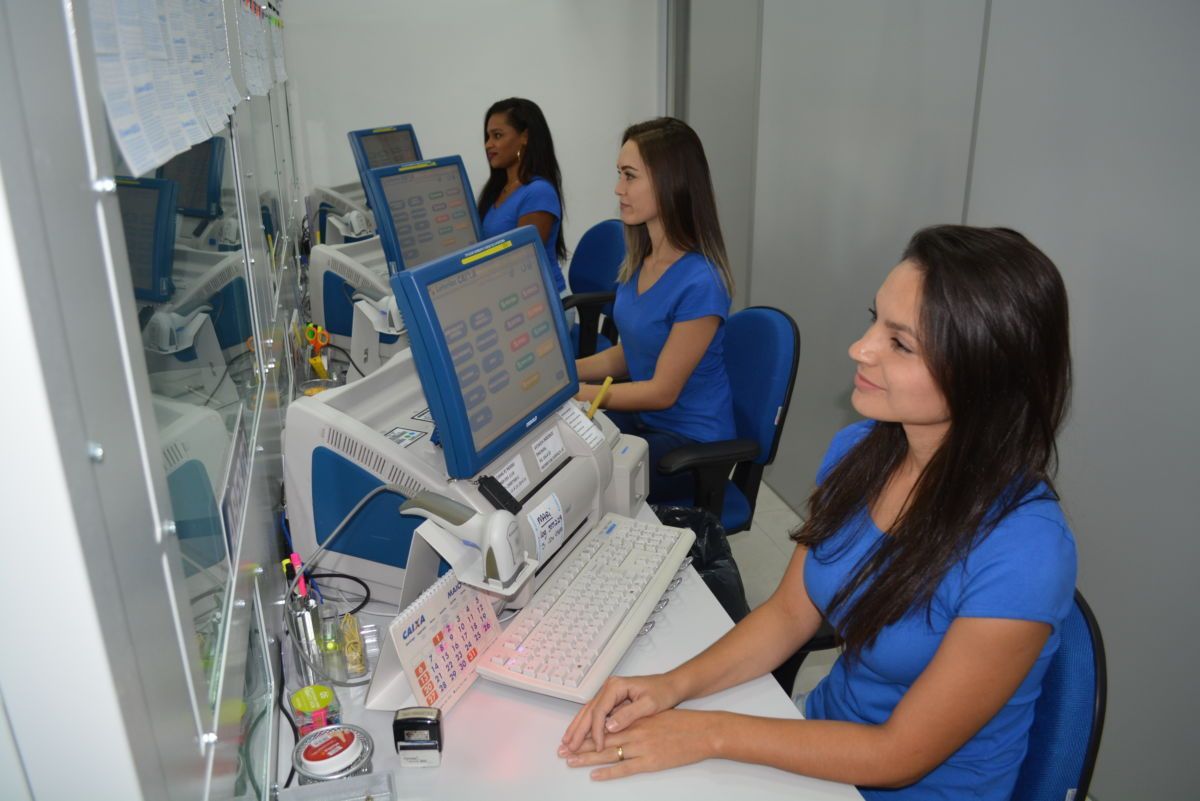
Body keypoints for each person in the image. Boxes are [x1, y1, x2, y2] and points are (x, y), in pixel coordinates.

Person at [560, 225, 1078, 800]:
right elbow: (789, 615)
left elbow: (898, 755)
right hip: (823, 740)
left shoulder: (1026, 551)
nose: (861, 348)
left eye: (901, 343)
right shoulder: (861, 451)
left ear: (985, 375)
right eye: (874, 319)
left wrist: (707, 732)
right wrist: (670, 687)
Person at [574, 117, 736, 502]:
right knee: (561, 443)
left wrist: (583, 393)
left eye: (630, 176)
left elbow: (663, 391)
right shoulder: (640, 261)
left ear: (669, 182)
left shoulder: (701, 282)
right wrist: (564, 375)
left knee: (582, 480)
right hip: (649, 421)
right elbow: (633, 352)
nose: (618, 189)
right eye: (619, 174)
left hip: (689, 446)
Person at [477, 97, 568, 294]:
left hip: (544, 303)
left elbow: (519, 263)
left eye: (498, 136)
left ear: (525, 137)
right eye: (488, 137)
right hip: (509, 297)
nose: (488, 145)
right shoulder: (499, 190)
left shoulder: (538, 193)